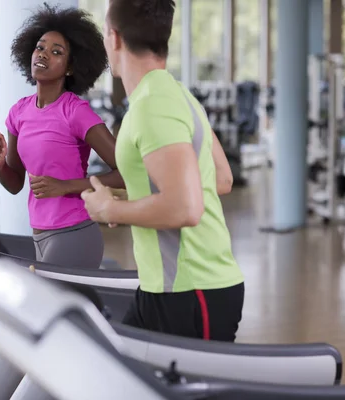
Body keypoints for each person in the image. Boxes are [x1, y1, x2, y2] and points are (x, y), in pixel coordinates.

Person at [81, 0, 245, 342]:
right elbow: (221, 178)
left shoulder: (153, 107)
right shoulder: (175, 94)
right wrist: (126, 197)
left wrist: (112, 209)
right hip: (175, 287)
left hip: (189, 291)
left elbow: (186, 206)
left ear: (113, 38)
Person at [0, 4, 124, 268]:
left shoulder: (75, 112)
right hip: (39, 235)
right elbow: (14, 184)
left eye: (56, 52)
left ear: (70, 68)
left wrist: (66, 185)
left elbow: (128, 173)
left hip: (74, 233)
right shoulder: (19, 112)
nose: (43, 54)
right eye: (40, 47)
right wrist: (0, 164)